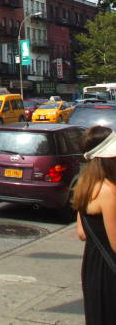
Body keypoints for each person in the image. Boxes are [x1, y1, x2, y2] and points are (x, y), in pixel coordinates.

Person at [72, 125, 116, 324]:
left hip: (93, 265)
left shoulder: (84, 184)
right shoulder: (108, 191)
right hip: (109, 273)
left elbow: (82, 233)